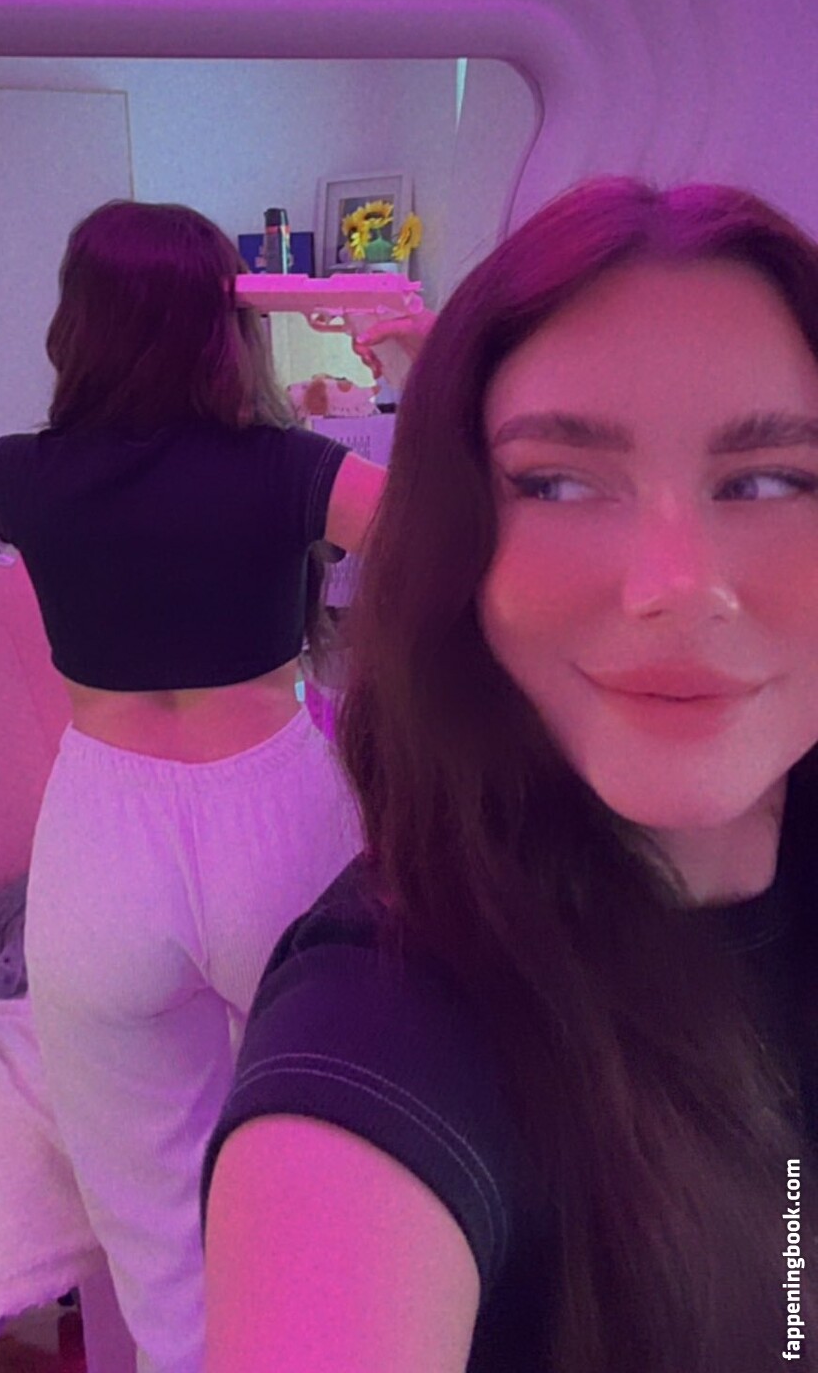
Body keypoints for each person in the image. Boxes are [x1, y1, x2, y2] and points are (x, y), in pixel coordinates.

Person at [201, 177, 818, 1373]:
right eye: (558, 483)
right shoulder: (387, 1028)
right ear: (460, 544)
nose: (675, 586)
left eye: (767, 480)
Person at [0, 198, 391, 1373]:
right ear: (226, 323)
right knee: (339, 1156)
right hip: (274, 818)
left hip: (104, 842)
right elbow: (450, 530)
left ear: (78, 325)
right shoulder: (289, 467)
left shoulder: (36, 476)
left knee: (153, 1228)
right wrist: (414, 362)